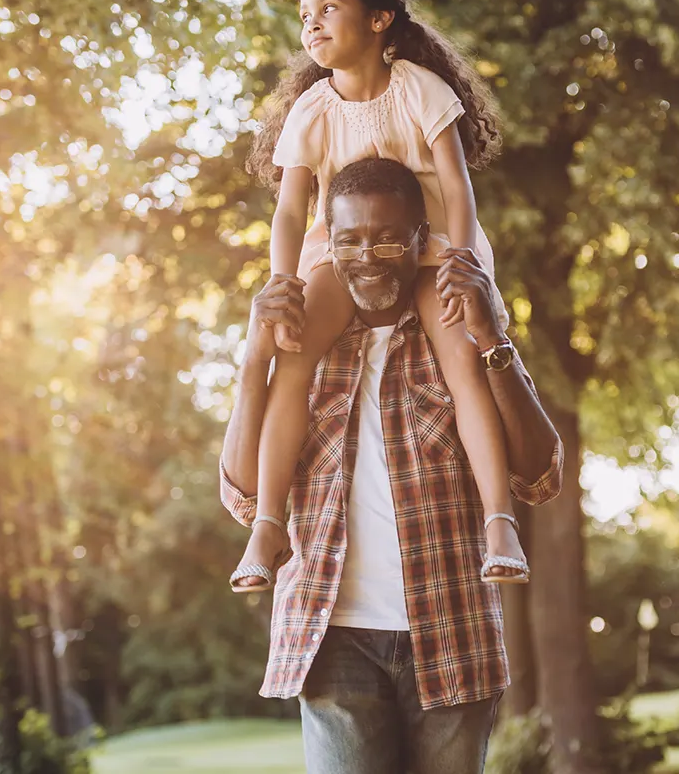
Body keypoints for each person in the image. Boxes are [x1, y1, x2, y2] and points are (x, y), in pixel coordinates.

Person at [220, 158, 562, 773]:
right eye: (349, 240)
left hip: (453, 629)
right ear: (328, 243)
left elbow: (539, 475)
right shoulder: (309, 348)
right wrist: (254, 357)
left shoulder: (455, 334)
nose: (368, 258)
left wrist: (493, 342)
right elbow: (243, 492)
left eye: (386, 238)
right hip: (332, 638)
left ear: (419, 240)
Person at [229, 0, 528, 593]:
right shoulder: (312, 110)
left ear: (379, 19)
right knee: (294, 355)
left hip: (433, 245)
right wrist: (283, 283)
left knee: (462, 355)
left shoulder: (418, 89)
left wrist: (465, 261)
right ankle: (269, 525)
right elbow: (288, 209)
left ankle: (500, 521)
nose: (312, 25)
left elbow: (455, 184)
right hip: (341, 253)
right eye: (305, 16)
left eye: (328, 10)